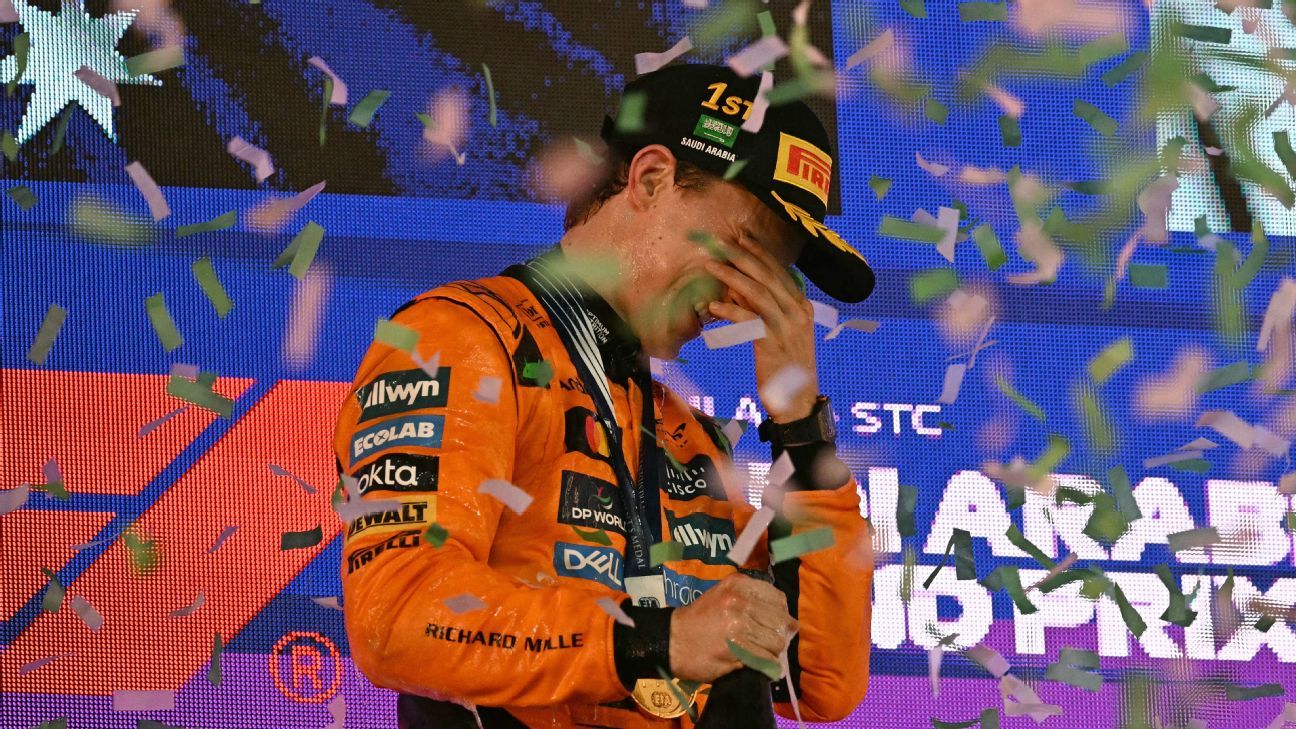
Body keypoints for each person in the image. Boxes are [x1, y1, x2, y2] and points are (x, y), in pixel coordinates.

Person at [333, 63, 875, 728]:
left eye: (773, 273)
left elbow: (814, 683)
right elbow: (395, 617)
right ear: (651, 179)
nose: (744, 295)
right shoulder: (461, 339)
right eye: (745, 249)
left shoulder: (687, 436)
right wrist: (651, 644)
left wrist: (801, 428)